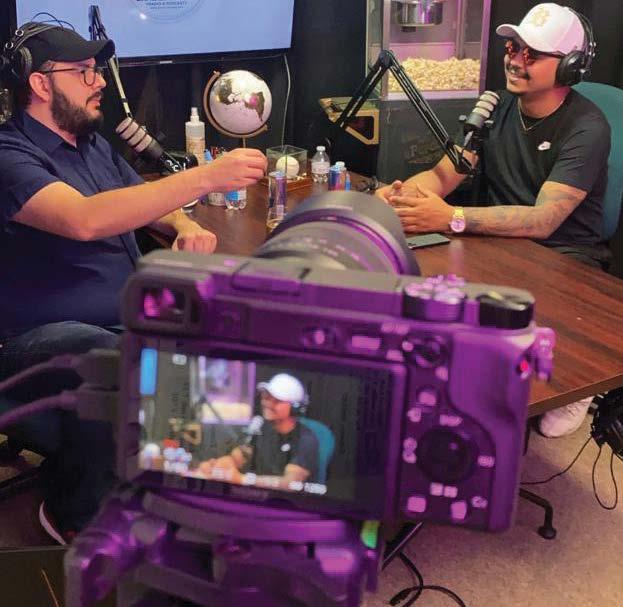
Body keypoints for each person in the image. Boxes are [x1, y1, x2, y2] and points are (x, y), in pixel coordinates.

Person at [0, 23, 267, 543]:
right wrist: (205, 177)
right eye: (83, 71)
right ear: (40, 84)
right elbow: (84, 219)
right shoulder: (9, 155)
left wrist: (184, 224)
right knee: (113, 357)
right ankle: (76, 515)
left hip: (123, 317)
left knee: (233, 332)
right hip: (36, 341)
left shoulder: (93, 145)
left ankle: (206, 494)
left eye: (96, 70)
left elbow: (144, 201)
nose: (99, 81)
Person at [377, 3, 610, 439]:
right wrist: (402, 195)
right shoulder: (495, 107)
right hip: (498, 242)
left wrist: (451, 216)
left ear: (571, 66)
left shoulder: (588, 127)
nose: (516, 60)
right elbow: (444, 175)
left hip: (563, 259)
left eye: (532, 54)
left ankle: (579, 381)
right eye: (513, 47)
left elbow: (543, 220)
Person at [199, 373, 322, 488]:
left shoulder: (306, 440)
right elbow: (239, 457)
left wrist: (243, 479)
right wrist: (216, 466)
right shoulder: (261, 425)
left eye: (277, 400)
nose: (267, 403)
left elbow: (291, 483)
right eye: (266, 397)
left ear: (295, 408)